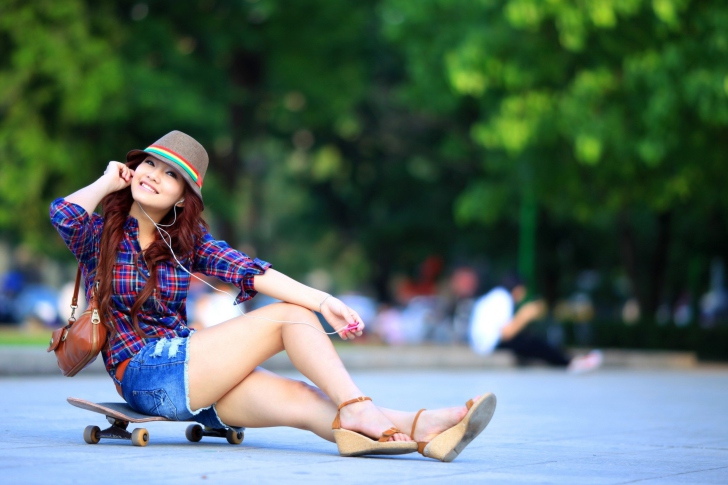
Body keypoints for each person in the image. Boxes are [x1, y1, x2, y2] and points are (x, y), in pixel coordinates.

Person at [50, 131, 496, 461]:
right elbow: (63, 214)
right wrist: (109, 180)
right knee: (288, 316)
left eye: (171, 175)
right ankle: (359, 408)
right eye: (150, 164)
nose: (153, 176)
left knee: (304, 400)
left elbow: (252, 271)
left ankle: (425, 430)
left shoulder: (187, 243)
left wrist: (323, 300)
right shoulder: (100, 235)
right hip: (145, 372)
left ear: (183, 198)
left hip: (190, 372)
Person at [468, 275, 602, 373]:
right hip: (489, 344)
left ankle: (569, 359)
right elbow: (507, 333)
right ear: (517, 289)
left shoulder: (495, 296)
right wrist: (525, 315)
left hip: (485, 344)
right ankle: (569, 362)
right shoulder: (503, 298)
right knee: (535, 342)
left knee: (530, 339)